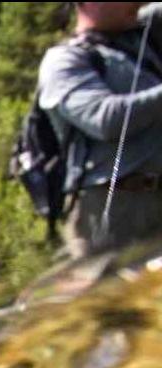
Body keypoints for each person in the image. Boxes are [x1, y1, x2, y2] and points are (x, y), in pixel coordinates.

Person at [40, 2, 162, 256]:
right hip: (114, 215)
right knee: (118, 295)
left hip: (155, 203)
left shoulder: (144, 32)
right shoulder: (63, 61)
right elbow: (106, 119)